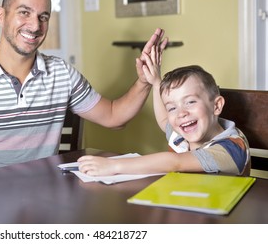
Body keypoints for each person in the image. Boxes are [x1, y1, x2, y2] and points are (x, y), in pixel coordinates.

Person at [0, 0, 168, 185]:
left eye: (43, 16)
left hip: (46, 194)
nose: (35, 25)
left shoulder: (62, 73)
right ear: (1, 16)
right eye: (24, 12)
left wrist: (144, 80)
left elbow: (114, 117)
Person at [78, 58, 251, 176]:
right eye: (172, 107)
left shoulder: (232, 147)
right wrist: (155, 82)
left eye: (190, 102)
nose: (181, 113)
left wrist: (113, 166)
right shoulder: (181, 137)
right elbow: (163, 121)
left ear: (217, 106)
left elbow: (175, 162)